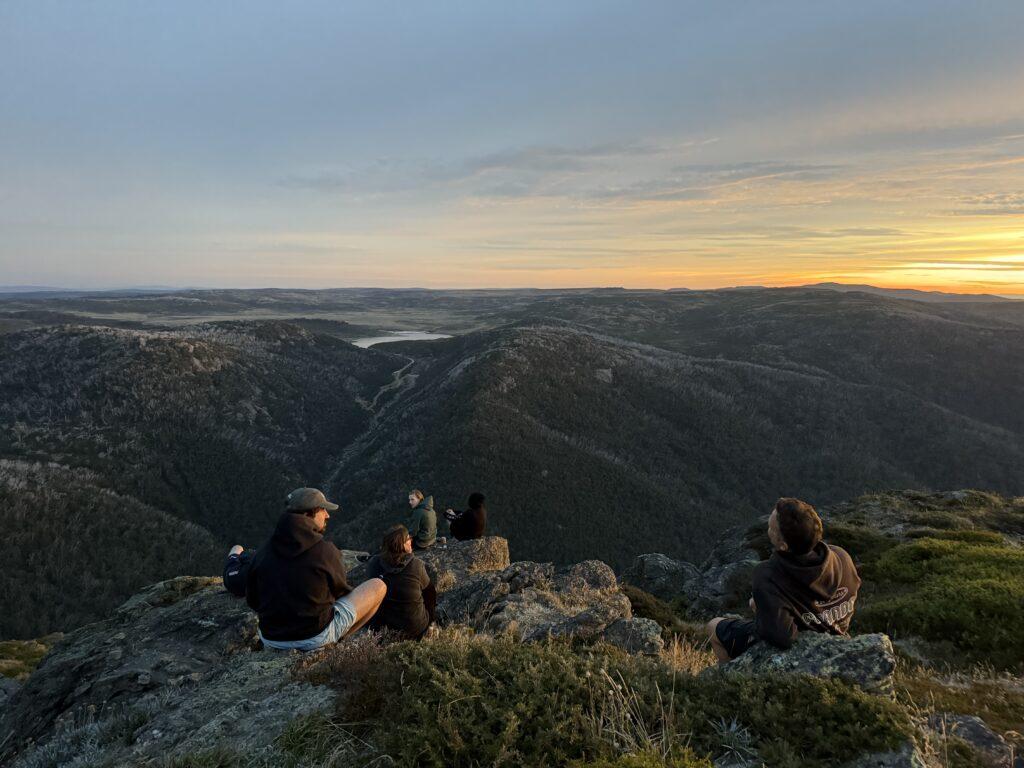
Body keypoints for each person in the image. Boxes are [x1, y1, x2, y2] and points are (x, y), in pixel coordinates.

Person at [707, 497, 861, 663]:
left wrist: (761, 610)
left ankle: (728, 677)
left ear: (783, 546)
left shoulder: (768, 575)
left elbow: (782, 636)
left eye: (771, 528)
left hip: (804, 649)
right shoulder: (841, 557)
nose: (768, 528)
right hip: (836, 634)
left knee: (714, 626)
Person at [246, 487, 387, 651]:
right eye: (323, 510)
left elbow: (253, 600)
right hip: (314, 636)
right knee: (379, 585)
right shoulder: (325, 551)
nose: (328, 515)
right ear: (308, 514)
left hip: (272, 638)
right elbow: (341, 592)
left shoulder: (263, 552)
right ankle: (335, 641)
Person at [365, 524, 436, 639]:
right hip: (415, 629)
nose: (411, 540)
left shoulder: (374, 564)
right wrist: (431, 619)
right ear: (401, 545)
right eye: (408, 538)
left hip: (385, 630)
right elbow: (430, 592)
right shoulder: (415, 565)